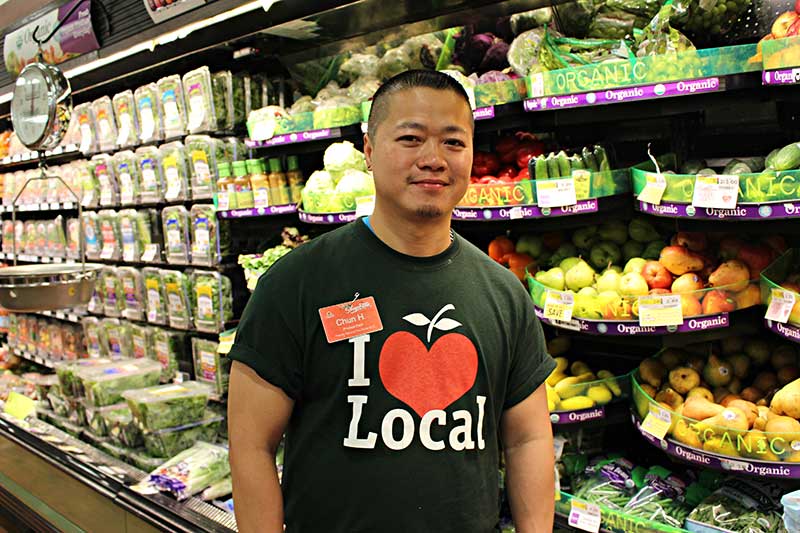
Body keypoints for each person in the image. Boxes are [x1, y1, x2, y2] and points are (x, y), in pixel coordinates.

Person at [228, 69, 556, 533]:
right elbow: (250, 445)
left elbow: (528, 439)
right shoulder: (296, 284)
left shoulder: (503, 293)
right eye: (410, 138)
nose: (433, 159)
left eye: (453, 142)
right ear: (368, 151)